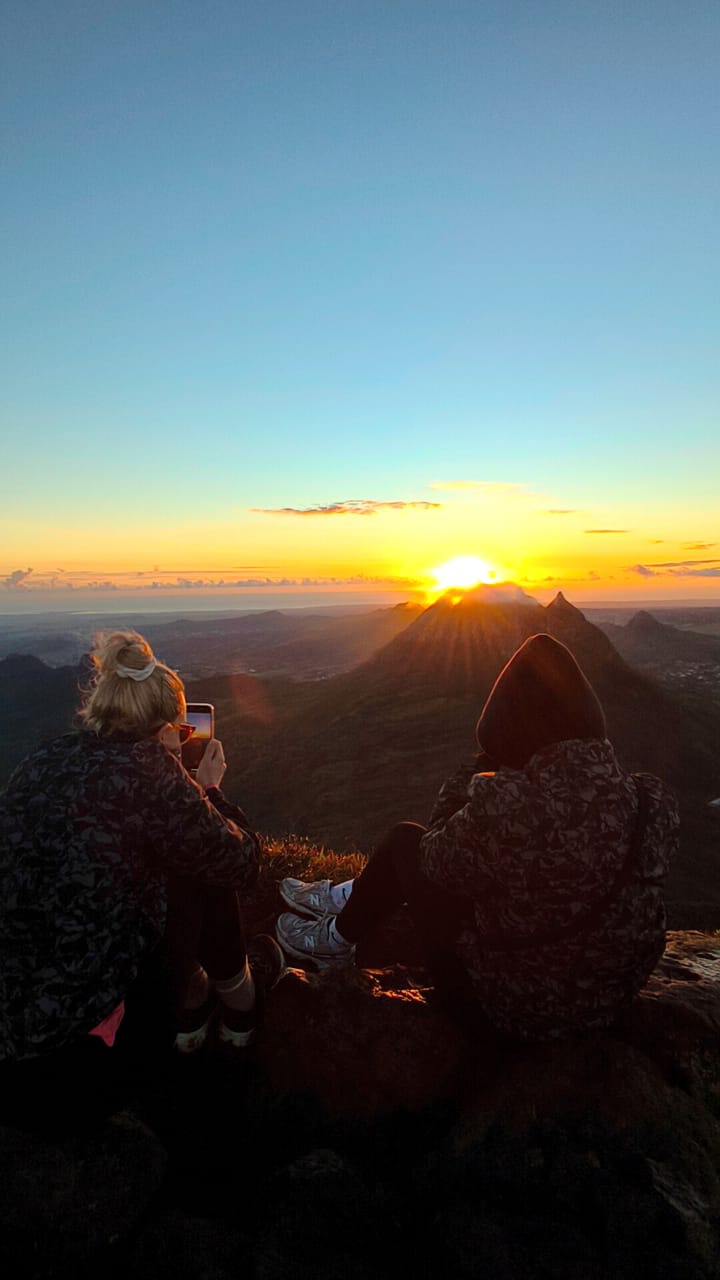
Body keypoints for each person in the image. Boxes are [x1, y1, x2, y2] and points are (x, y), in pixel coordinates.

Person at [276, 633, 679, 1041]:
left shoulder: (509, 805)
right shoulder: (649, 798)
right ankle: (349, 895)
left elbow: (434, 857)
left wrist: (478, 775)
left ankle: (332, 942)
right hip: (611, 1000)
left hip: (510, 1009)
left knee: (405, 842)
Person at [0, 629, 285, 1069]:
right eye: (181, 729)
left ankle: (199, 1000)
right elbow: (244, 863)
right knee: (200, 863)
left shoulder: (45, 759)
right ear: (165, 729)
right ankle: (239, 1001)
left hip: (14, 1023)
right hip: (76, 1048)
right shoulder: (151, 772)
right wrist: (208, 791)